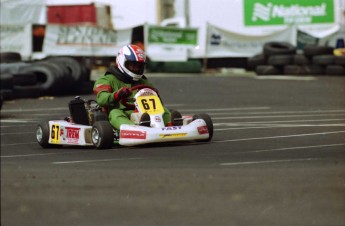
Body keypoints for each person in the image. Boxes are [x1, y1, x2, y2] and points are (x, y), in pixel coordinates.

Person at [93, 44, 172, 130]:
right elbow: (101, 99)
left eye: (139, 66)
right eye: (133, 65)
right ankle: (134, 129)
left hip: (144, 113)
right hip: (122, 113)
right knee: (115, 113)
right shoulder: (107, 79)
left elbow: (157, 101)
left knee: (164, 110)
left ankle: (171, 125)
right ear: (122, 61)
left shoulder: (143, 81)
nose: (136, 69)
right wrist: (117, 95)